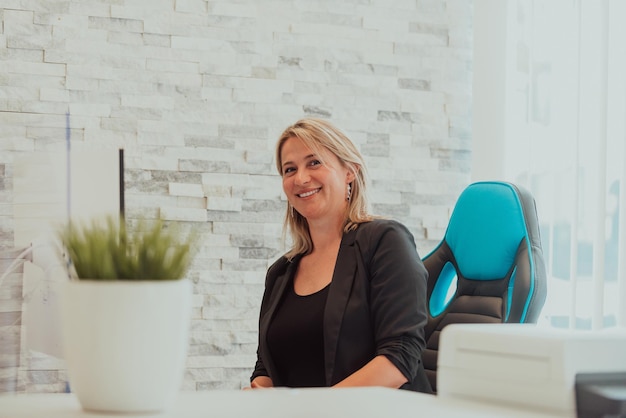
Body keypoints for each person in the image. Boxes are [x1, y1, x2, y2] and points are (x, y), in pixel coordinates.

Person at [248, 118, 432, 393]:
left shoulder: (385, 242)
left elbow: (400, 356)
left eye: (314, 162)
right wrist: (258, 393)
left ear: (350, 172)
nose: (300, 178)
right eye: (290, 169)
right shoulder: (280, 272)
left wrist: (316, 409)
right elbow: (266, 367)